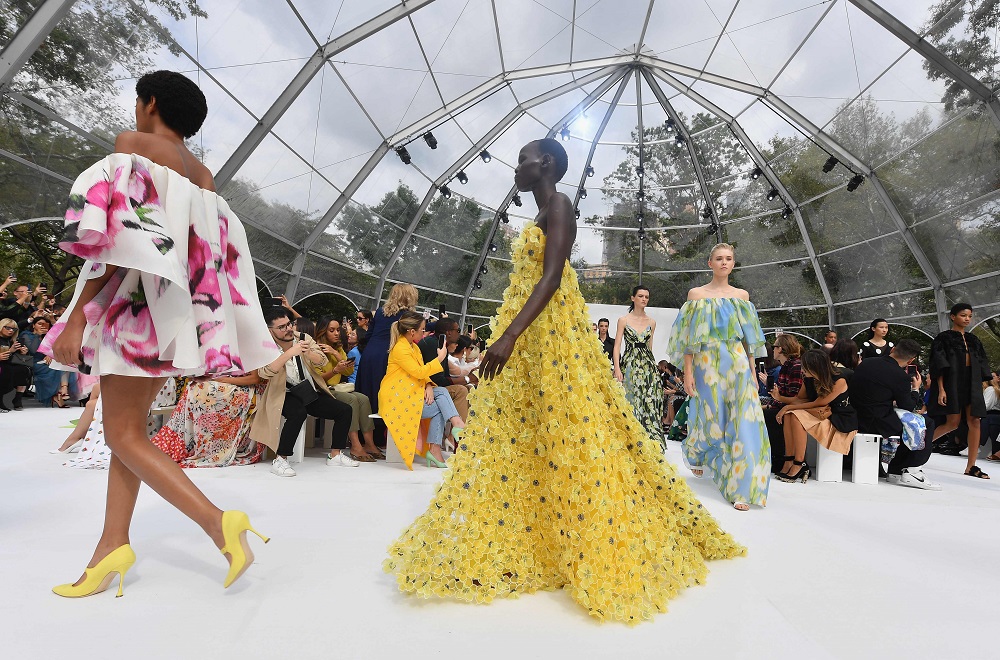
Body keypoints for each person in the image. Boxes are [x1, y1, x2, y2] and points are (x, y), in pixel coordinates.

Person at [384, 138, 744, 624]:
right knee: (530, 427)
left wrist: (509, 335)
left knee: (572, 425)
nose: (517, 168)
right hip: (534, 336)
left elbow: (552, 276)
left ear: (546, 164)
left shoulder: (559, 204)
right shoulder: (539, 213)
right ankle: (539, 528)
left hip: (549, 336)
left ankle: (590, 527)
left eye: (523, 160)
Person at [43, 71, 275, 597]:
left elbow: (121, 241)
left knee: (121, 434)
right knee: (131, 434)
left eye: (136, 102)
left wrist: (79, 315)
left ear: (149, 104)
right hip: (175, 317)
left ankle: (219, 524)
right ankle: (111, 547)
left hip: (132, 305)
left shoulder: (135, 146)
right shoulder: (206, 177)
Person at [668, 243, 770, 510]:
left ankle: (742, 488)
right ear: (709, 263)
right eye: (719, 258)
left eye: (729, 258)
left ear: (733, 263)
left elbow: (749, 339)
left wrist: (751, 367)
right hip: (706, 365)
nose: (724, 262)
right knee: (711, 417)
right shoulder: (697, 295)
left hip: (736, 361)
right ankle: (699, 452)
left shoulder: (742, 296)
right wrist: (687, 372)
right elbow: (689, 338)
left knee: (745, 422)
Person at [253, 307, 357, 476]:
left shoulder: (303, 338)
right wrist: (288, 354)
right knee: (298, 413)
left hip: (307, 389)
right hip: (283, 393)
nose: (287, 329)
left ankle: (335, 455)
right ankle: (280, 459)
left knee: (344, 410)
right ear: (269, 330)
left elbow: (322, 361)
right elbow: (263, 373)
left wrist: (308, 352)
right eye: (281, 327)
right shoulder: (265, 346)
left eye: (289, 324)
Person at [850, 339, 941, 490]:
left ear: (892, 350)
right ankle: (912, 469)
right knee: (925, 423)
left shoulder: (866, 363)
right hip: (876, 421)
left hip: (855, 414)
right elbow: (908, 406)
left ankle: (895, 470)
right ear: (911, 360)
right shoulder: (901, 376)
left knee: (910, 423)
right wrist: (915, 389)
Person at [380, 310, 465, 468]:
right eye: (422, 330)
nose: (424, 333)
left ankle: (440, 444)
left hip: (410, 394)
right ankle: (453, 429)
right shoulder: (400, 348)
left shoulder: (414, 348)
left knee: (440, 394)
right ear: (412, 332)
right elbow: (419, 371)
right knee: (441, 399)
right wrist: (439, 358)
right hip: (397, 399)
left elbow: (419, 372)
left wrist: (428, 385)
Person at [927, 303, 992, 478]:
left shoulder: (974, 340)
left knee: (975, 421)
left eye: (969, 316)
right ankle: (915, 446)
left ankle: (971, 466)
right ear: (953, 317)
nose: (967, 319)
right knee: (952, 423)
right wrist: (941, 389)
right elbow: (938, 365)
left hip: (972, 383)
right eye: (963, 315)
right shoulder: (943, 338)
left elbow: (982, 364)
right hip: (952, 382)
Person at [776, 349, 858, 483]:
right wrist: (780, 398)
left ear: (815, 367)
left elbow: (820, 402)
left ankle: (799, 462)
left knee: (795, 415)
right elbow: (800, 400)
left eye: (805, 367)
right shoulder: (809, 378)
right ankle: (789, 460)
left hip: (839, 417)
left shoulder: (839, 379)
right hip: (819, 413)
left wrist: (788, 407)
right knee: (789, 415)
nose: (802, 369)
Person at [150, 375, 266, 468]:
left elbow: (254, 379)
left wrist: (224, 379)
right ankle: (184, 443)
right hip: (230, 382)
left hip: (250, 389)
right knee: (194, 387)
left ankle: (197, 448)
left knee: (202, 389)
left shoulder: (249, 347)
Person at [313, 317, 382, 461]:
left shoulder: (337, 348)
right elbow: (316, 380)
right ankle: (355, 445)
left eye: (338, 330)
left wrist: (336, 354)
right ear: (322, 331)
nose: (337, 333)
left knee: (363, 398)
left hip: (337, 388)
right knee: (351, 400)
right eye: (332, 330)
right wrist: (335, 371)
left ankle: (369, 443)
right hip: (322, 390)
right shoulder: (314, 350)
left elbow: (348, 372)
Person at [356, 283, 418, 430]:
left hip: (370, 354)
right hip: (388, 355)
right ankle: (380, 435)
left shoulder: (379, 312)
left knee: (365, 393)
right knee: (384, 395)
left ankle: (362, 433)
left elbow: (368, 335)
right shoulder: (408, 316)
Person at [613, 285, 663, 451]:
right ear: (633, 298)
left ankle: (649, 443)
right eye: (640, 296)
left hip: (648, 366)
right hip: (630, 364)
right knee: (631, 400)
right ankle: (630, 441)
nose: (644, 299)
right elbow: (617, 345)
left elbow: (650, 347)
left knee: (649, 401)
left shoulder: (652, 322)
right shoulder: (624, 320)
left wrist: (654, 371)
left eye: (646, 297)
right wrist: (617, 369)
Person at [417, 317, 474, 422]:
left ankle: (464, 429)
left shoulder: (440, 345)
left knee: (470, 388)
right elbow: (437, 379)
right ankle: (457, 435)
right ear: (448, 333)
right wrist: (467, 379)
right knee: (461, 390)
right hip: (426, 388)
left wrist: (468, 380)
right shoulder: (432, 344)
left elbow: (444, 376)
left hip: (433, 386)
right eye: (458, 330)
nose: (459, 334)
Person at [764, 334, 803, 476]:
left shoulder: (795, 367)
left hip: (794, 408)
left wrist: (777, 398)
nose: (772, 350)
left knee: (770, 416)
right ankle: (778, 458)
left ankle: (781, 459)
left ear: (780, 349)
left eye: (774, 347)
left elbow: (795, 398)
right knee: (765, 413)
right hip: (785, 406)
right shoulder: (787, 366)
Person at [22, 317, 78, 407]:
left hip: (52, 360)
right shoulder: (27, 335)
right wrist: (38, 336)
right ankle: (61, 393)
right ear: (33, 325)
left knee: (65, 364)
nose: (42, 326)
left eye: (45, 324)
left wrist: (50, 354)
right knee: (57, 367)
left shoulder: (51, 335)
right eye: (40, 324)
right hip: (35, 362)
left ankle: (62, 391)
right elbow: (32, 350)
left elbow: (59, 348)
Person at [0, 317, 31, 410]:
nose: (11, 331)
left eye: (13, 329)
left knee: (24, 370)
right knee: (5, 370)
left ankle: (17, 399)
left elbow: (17, 359)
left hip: (9, 364)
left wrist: (23, 353)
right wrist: (10, 350)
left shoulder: (13, 340)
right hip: (3, 366)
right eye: (8, 328)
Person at [983, 371, 1000, 462]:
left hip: (992, 414)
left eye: (992, 376)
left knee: (989, 419)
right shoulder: (992, 389)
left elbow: (986, 405)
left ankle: (977, 444)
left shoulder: (992, 390)